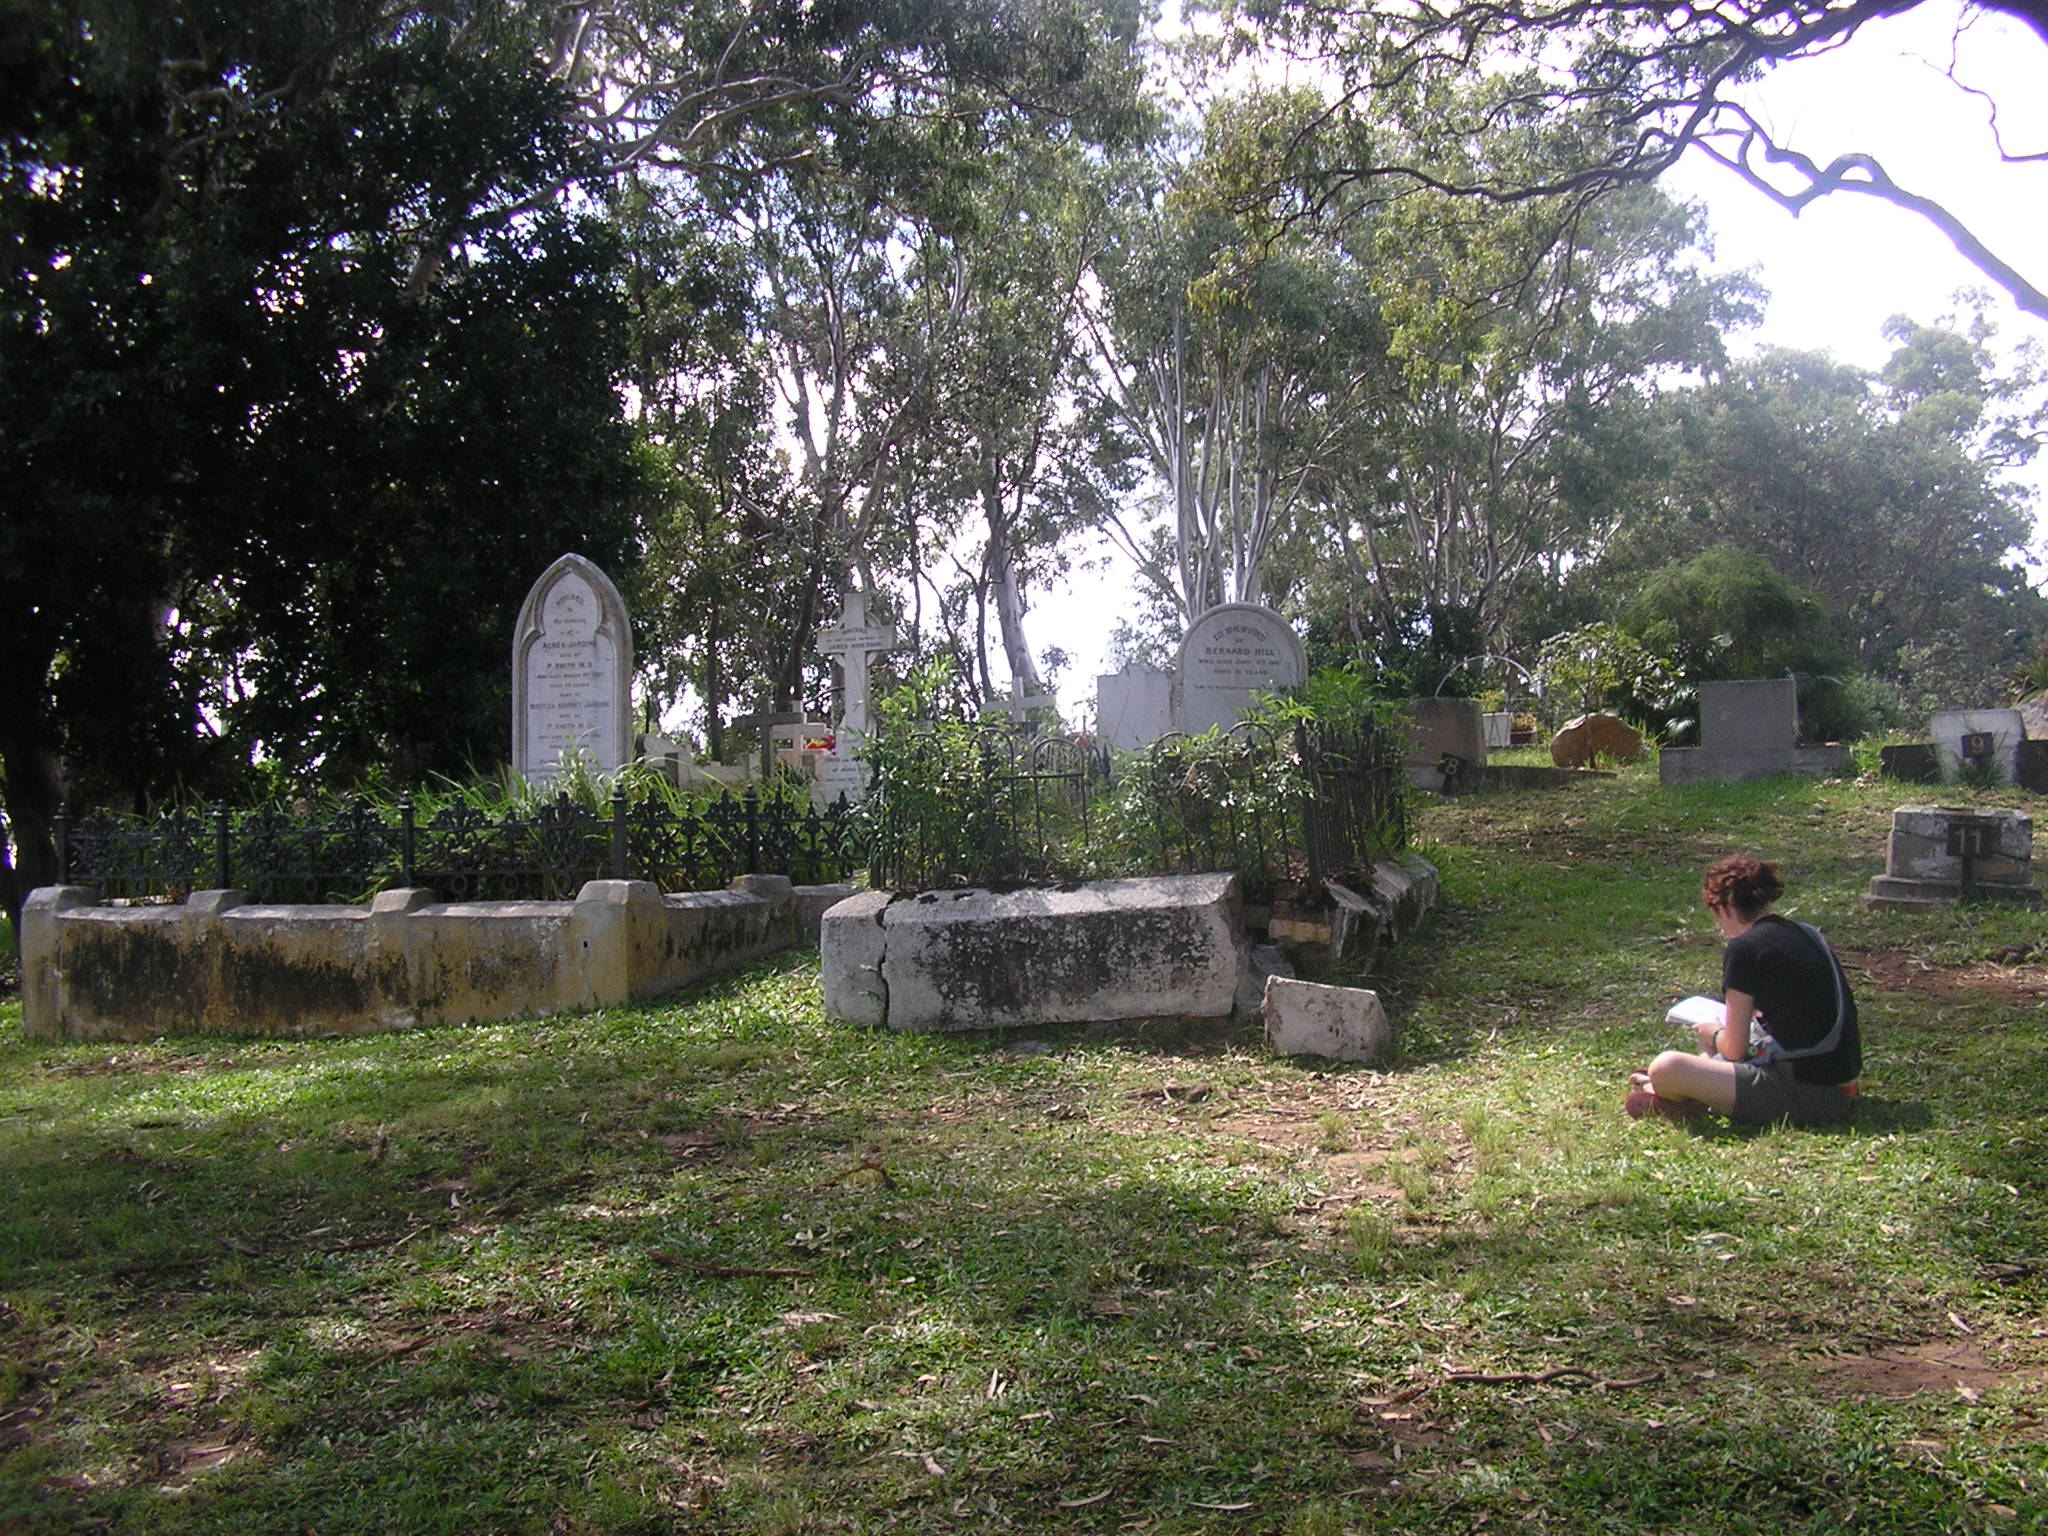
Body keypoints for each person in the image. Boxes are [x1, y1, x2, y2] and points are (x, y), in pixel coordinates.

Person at [1627, 855, 1861, 1127]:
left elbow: (1734, 1050)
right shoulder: (1805, 932)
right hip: (1840, 1083)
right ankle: (1697, 1088)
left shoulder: (1744, 949)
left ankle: (1689, 1093)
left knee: (1666, 1067)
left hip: (1809, 1095)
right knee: (1697, 1059)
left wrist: (1712, 1034)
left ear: (1724, 908)